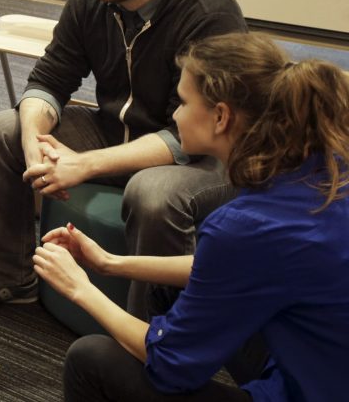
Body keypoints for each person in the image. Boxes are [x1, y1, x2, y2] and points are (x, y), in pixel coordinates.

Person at [0, 0, 247, 320]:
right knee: (2, 131)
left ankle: (147, 327)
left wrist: (85, 165)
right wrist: (36, 146)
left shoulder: (209, 15)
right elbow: (49, 79)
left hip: (202, 157)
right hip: (117, 130)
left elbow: (189, 136)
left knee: (153, 193)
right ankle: (7, 279)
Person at [35, 32, 349, 401]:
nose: (175, 114)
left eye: (183, 102)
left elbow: (169, 365)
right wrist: (111, 263)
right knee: (177, 295)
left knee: (94, 359)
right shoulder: (323, 166)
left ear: (220, 117)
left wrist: (81, 289)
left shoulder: (248, 225)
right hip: (322, 364)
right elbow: (238, 268)